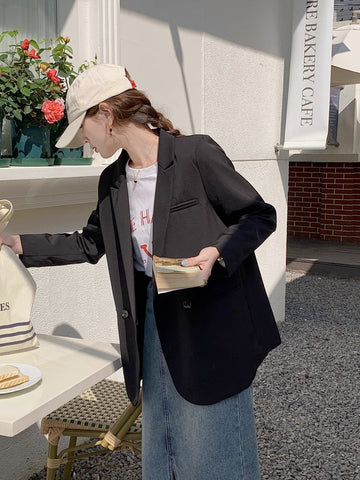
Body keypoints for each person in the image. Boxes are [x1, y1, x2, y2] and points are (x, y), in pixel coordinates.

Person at [0, 64, 281, 479]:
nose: (84, 144)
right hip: (151, 315)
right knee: (165, 436)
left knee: (214, 443)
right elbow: (90, 242)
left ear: (106, 116)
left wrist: (218, 253)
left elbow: (258, 215)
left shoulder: (194, 155)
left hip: (211, 319)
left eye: (84, 132)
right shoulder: (113, 180)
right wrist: (18, 244)